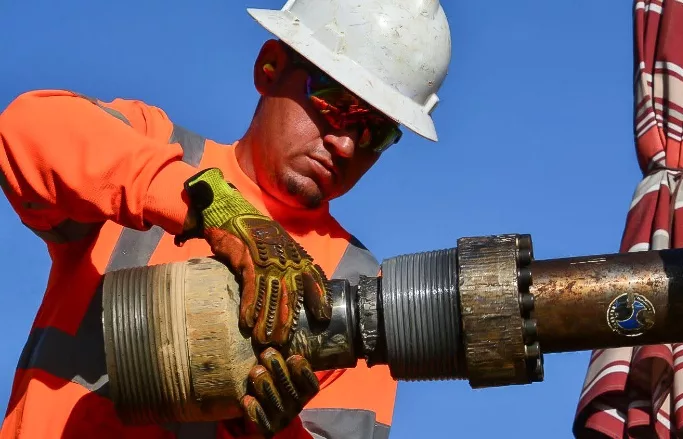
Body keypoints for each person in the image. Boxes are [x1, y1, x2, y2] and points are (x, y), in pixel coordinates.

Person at [0, 0, 451, 437]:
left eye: (376, 130)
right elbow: (24, 129)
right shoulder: (156, 150)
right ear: (270, 66)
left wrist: (273, 430)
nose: (347, 145)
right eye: (334, 103)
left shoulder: (363, 294)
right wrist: (200, 201)